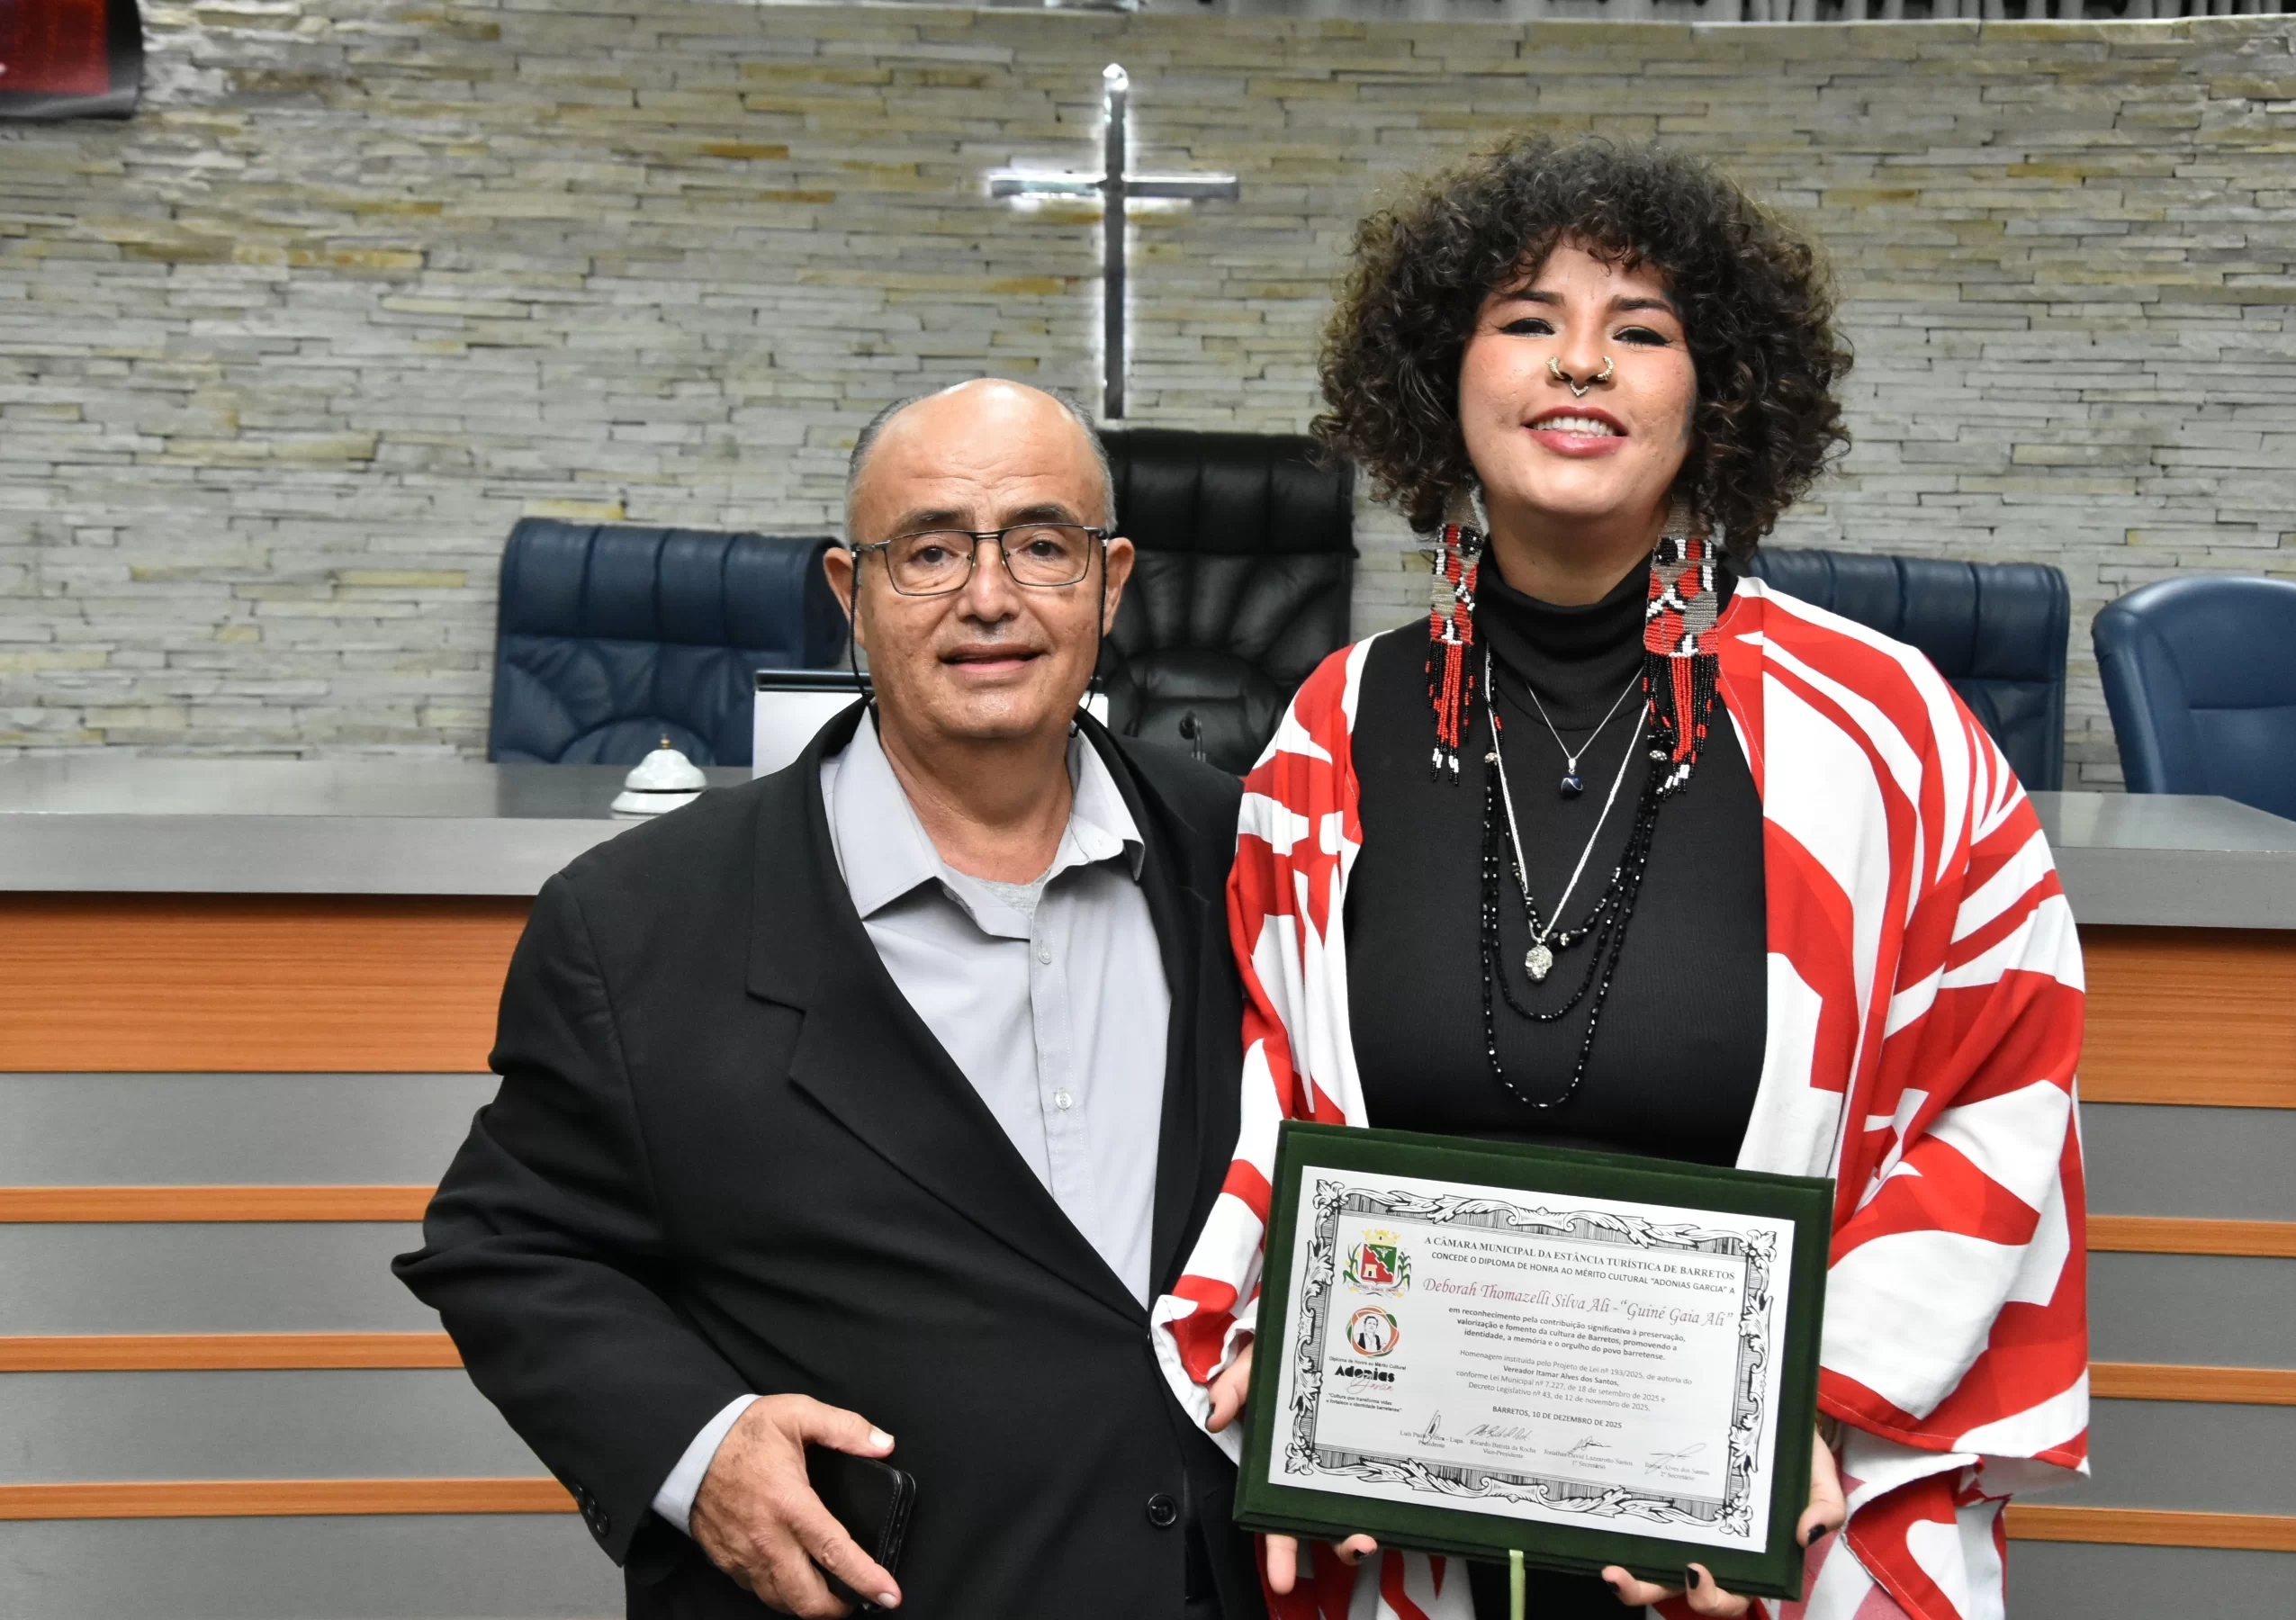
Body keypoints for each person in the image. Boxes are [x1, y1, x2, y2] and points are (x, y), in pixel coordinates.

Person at [1150, 140, 2088, 1620]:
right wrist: (1290, 1328)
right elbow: (1271, 1078)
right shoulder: (1330, 732)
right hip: (1409, 1541)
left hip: (1759, 1534)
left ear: (1716, 397)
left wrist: (1808, 1408)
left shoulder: (1883, 733)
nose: (1579, 362)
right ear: (1440, 378)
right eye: (1526, 320)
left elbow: (2004, 1084)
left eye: (1638, 330)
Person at [398, 380, 1262, 1620]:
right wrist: (696, 1451)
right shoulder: (639, 922)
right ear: (850, 594)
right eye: (930, 552)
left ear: (1110, 582)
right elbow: (510, 1245)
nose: (988, 597)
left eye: (1040, 545)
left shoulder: (1250, 857)